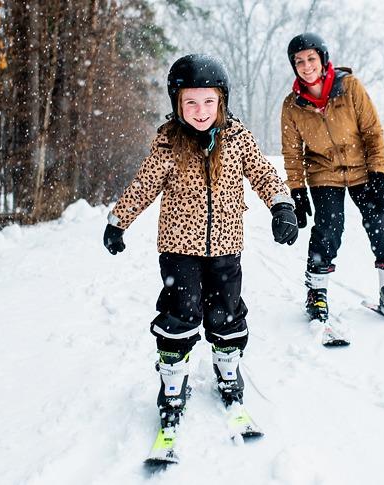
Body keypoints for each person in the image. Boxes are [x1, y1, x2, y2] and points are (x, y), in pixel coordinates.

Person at [103, 54, 298, 431]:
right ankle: (173, 383)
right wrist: (118, 222)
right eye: (191, 102)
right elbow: (143, 186)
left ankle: (227, 371)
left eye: (209, 101)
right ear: (178, 104)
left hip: (226, 246)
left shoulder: (238, 137)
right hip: (178, 250)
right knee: (181, 314)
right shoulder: (167, 143)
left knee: (226, 312)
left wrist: (282, 206)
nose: (200, 110)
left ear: (221, 101)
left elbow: (263, 173)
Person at [281, 33, 384, 323]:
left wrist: (378, 172)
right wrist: (297, 190)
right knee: (329, 228)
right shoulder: (292, 105)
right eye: (299, 61)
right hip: (323, 173)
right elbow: (291, 153)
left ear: (323, 59)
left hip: (362, 168)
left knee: (381, 222)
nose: (306, 65)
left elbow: (373, 132)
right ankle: (317, 293)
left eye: (311, 58)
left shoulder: (349, 88)